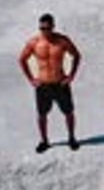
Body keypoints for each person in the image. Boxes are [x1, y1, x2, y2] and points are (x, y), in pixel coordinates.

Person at [19, 13, 81, 153]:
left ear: (53, 26)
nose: (44, 31)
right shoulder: (34, 42)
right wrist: (31, 79)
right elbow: (22, 59)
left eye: (47, 28)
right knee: (42, 114)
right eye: (41, 28)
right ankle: (44, 141)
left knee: (69, 112)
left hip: (60, 83)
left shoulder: (62, 41)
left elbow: (76, 55)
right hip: (43, 84)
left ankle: (71, 138)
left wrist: (71, 75)